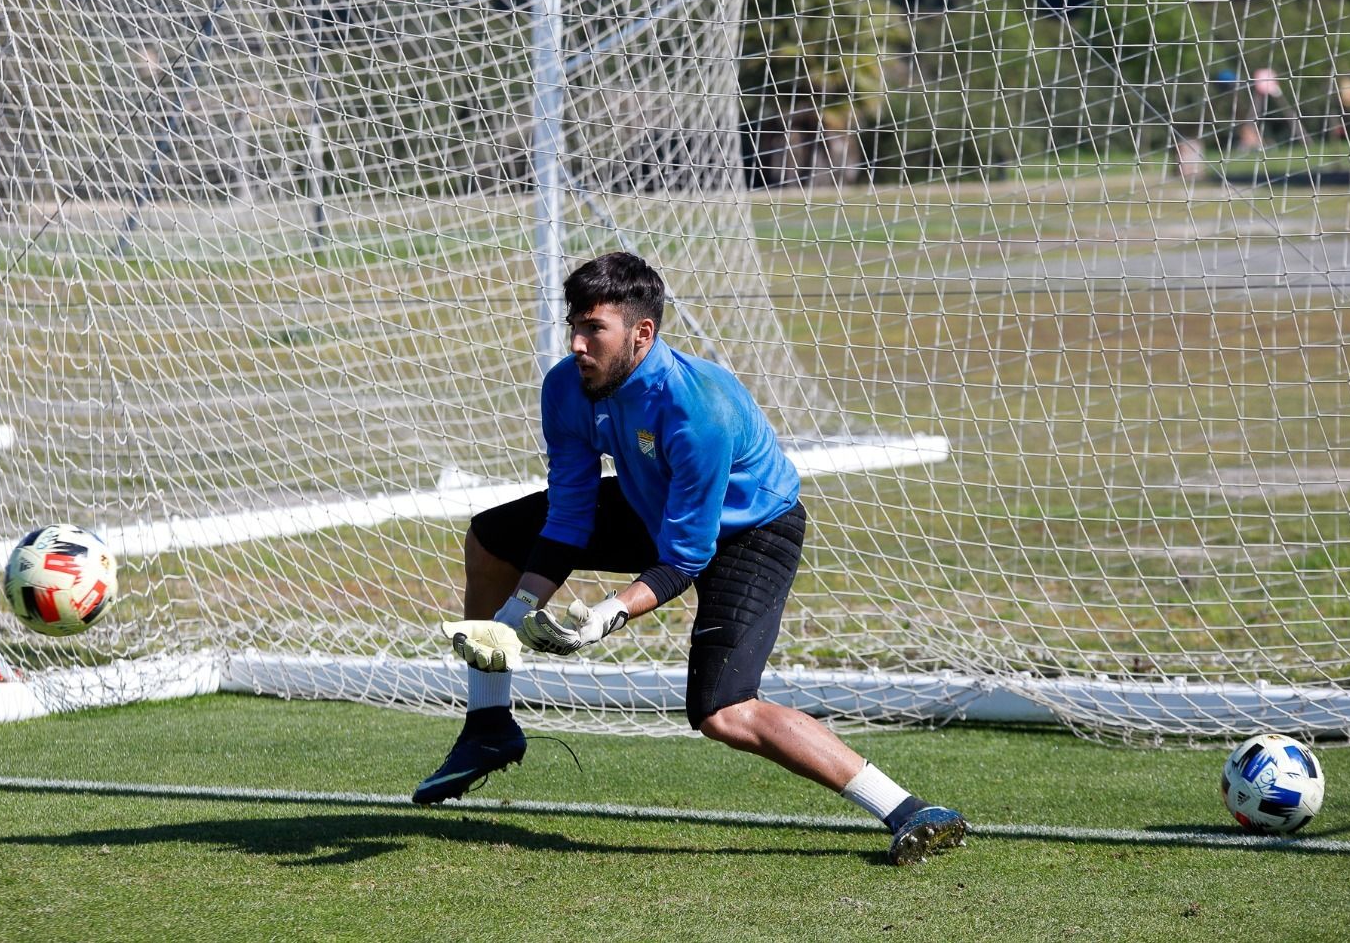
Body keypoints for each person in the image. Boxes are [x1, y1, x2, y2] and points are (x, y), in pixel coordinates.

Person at [413, 251, 967, 866]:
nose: (575, 343)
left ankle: (910, 809)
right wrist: (515, 614)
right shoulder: (566, 387)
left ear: (642, 333)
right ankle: (489, 726)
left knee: (725, 710)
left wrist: (605, 615)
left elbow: (685, 555)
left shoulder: (696, 409)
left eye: (594, 328)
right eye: (573, 324)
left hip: (749, 530)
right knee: (493, 536)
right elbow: (569, 513)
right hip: (657, 501)